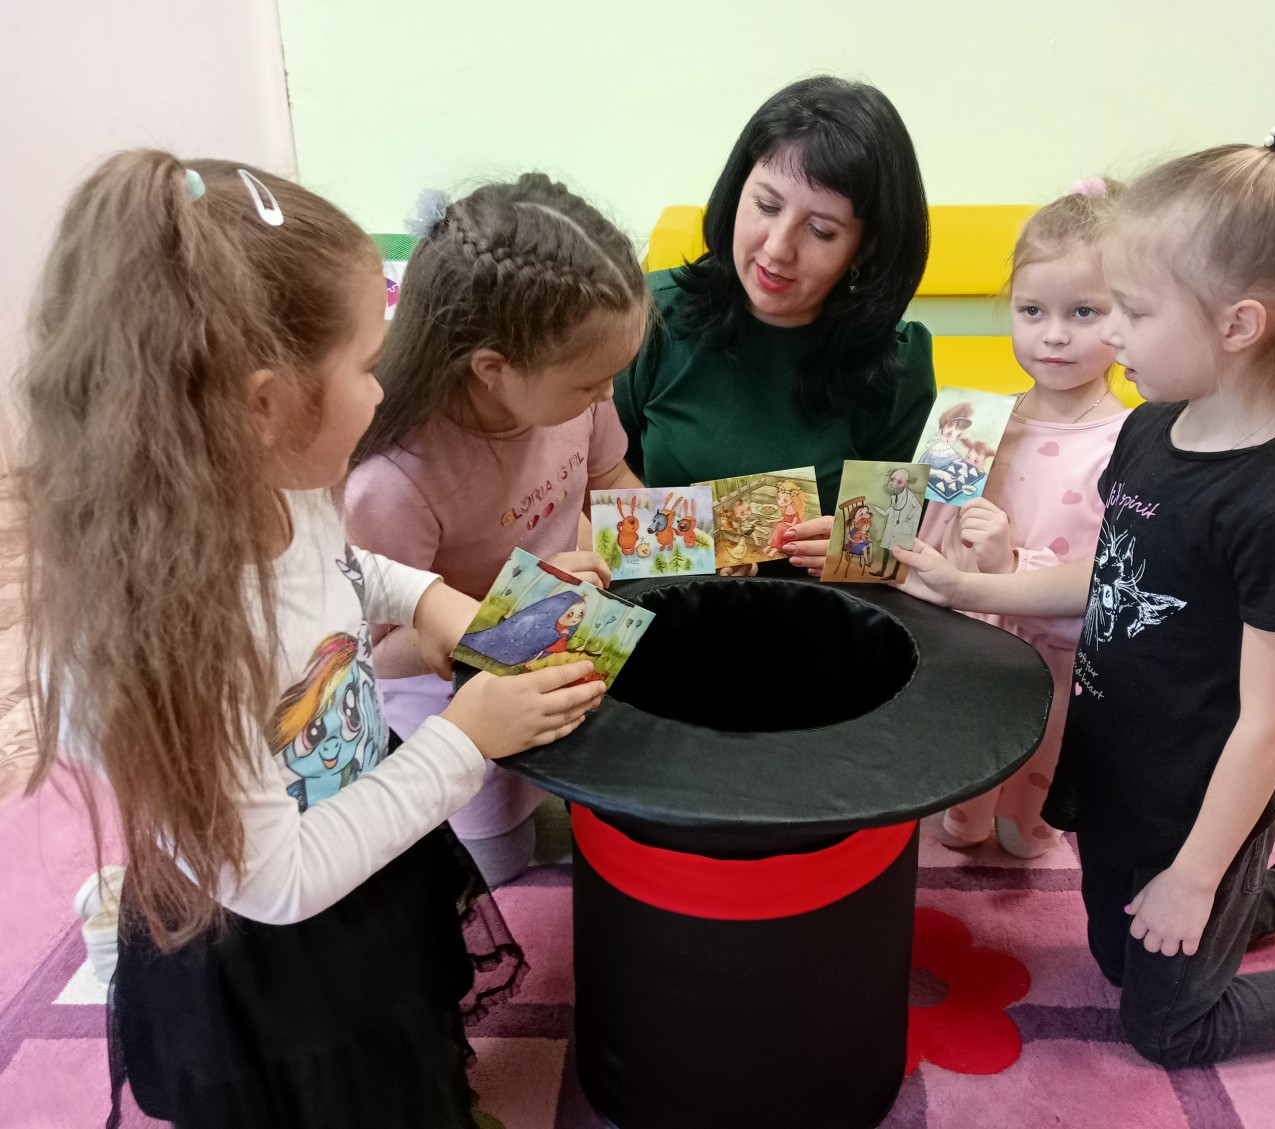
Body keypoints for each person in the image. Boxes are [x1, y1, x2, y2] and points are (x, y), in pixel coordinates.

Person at [20, 152, 606, 1128]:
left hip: (362, 835)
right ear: (264, 405)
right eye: (368, 367)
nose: (384, 395)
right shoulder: (185, 632)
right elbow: (280, 880)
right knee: (338, 1086)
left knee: (406, 1033)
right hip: (276, 945)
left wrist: (435, 604)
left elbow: (344, 569)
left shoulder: (282, 489)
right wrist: (467, 736)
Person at [897, 120, 1275, 1064]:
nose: (1113, 335)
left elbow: (1268, 724)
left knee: (1166, 1025)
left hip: (1198, 801)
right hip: (1118, 769)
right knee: (1116, 954)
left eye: (1134, 312)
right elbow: (1115, 574)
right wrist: (974, 579)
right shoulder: (1151, 432)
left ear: (1238, 324)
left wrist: (1194, 873)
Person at [345, 174, 646, 887]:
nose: (607, 394)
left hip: (565, 633)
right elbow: (380, 654)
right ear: (493, 369)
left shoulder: (578, 391)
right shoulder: (393, 481)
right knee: (495, 870)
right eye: (590, 382)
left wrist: (709, 543)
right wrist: (523, 608)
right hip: (450, 691)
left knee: (621, 784)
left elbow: (612, 482)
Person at [613, 75, 935, 575]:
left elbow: (889, 553)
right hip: (662, 601)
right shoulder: (650, 316)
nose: (778, 248)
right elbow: (591, 489)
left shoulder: (896, 364)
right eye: (766, 205)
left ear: (864, 250)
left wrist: (858, 552)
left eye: (821, 230)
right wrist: (700, 550)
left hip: (819, 609)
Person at [922, 181, 1127, 858]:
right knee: (965, 797)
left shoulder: (1126, 442)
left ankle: (1028, 820)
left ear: (1129, 313)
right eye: (1032, 310)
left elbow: (1112, 579)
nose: (1054, 334)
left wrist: (1011, 562)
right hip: (976, 644)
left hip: (1059, 658)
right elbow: (930, 531)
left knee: (1028, 822)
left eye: (1084, 311)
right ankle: (969, 813)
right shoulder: (976, 420)